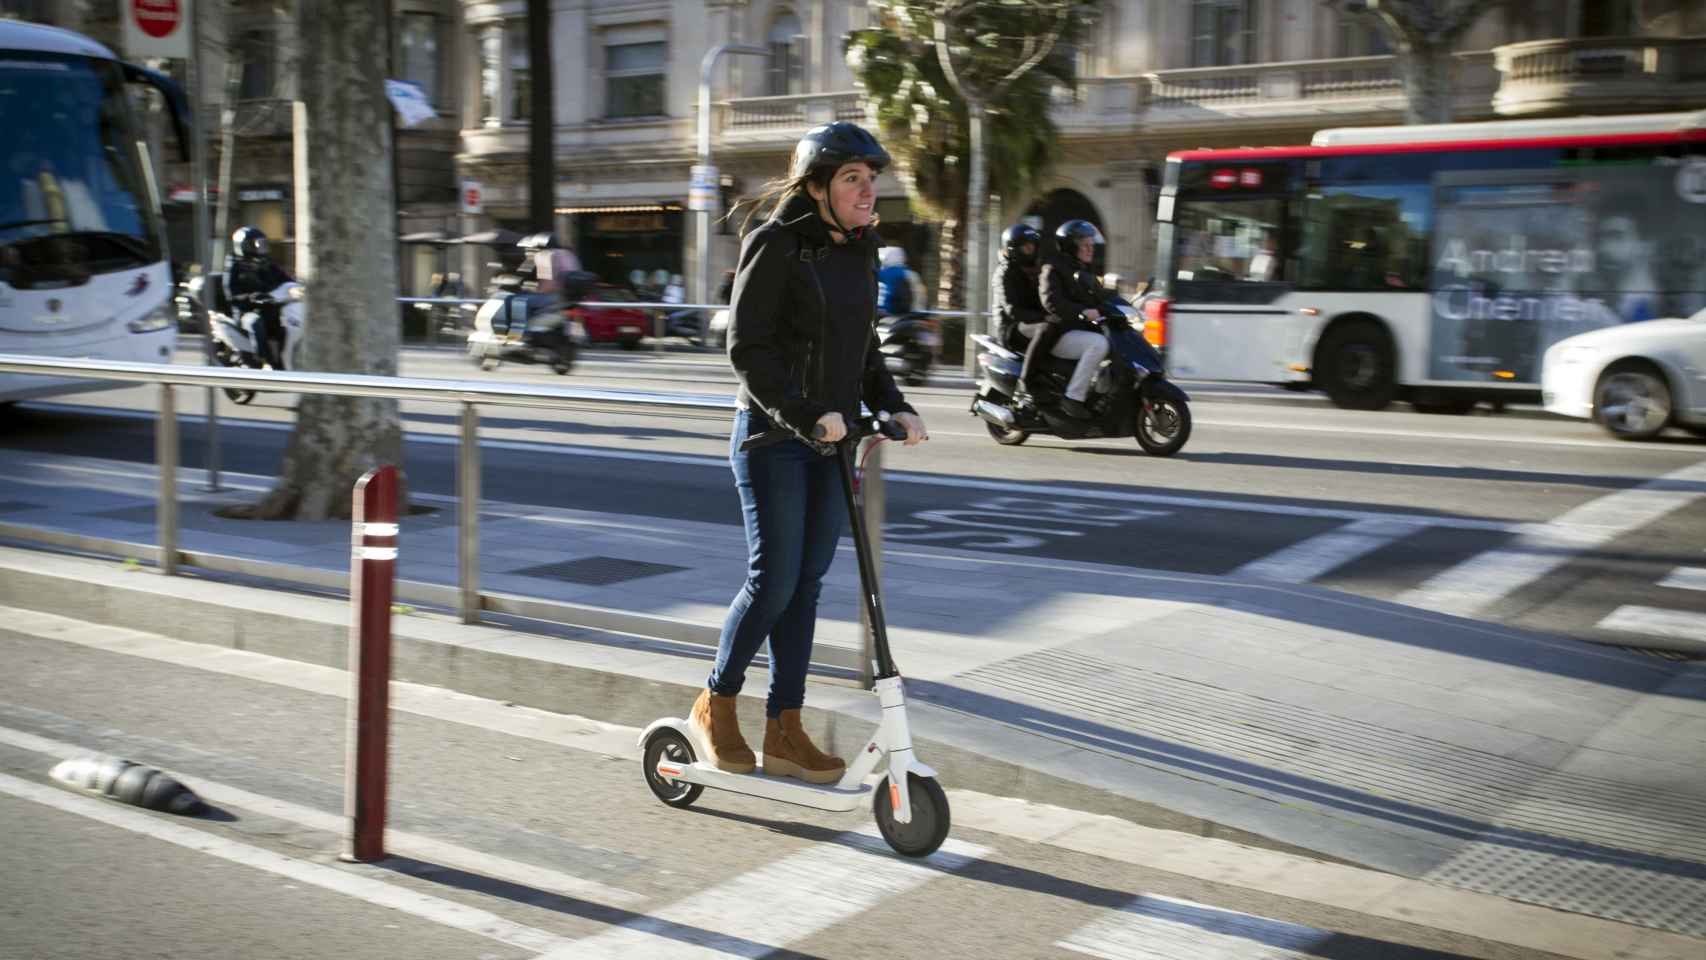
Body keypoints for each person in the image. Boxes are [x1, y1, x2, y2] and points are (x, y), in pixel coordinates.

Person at [695, 121, 928, 783]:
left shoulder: (860, 249)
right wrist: (805, 414)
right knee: (773, 580)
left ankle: (785, 726)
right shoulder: (776, 244)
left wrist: (893, 405)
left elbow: (865, 351)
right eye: (853, 178)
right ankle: (717, 700)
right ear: (819, 186)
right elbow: (748, 350)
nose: (867, 189)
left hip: (831, 443)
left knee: (806, 587)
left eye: (871, 178)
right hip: (773, 439)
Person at [1032, 220, 1112, 419]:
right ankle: (1073, 398)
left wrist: (1124, 304)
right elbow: (1051, 301)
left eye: (1091, 244)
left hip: (1079, 330)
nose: (1090, 248)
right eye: (1085, 244)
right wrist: (1082, 311)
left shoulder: (1084, 269)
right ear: (1070, 245)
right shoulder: (1052, 269)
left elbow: (1099, 297)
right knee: (1098, 345)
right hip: (1061, 333)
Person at [224, 225, 294, 369]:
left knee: (284, 326)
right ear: (244, 245)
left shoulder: (266, 264)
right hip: (245, 311)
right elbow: (231, 295)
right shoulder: (234, 267)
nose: (261, 248)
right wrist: (251, 297)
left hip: (267, 307)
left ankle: (281, 361)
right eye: (257, 244)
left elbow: (285, 279)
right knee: (256, 323)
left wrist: (295, 286)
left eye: (263, 244)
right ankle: (265, 361)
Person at [993, 223, 1044, 352]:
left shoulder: (1038, 270)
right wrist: (1044, 317)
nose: (1030, 248)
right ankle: (1029, 372)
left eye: (1032, 245)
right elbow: (1012, 310)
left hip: (1032, 323)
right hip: (1011, 329)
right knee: (1048, 329)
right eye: (1026, 246)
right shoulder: (1004, 273)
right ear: (1013, 248)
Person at [876, 246, 922, 317]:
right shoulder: (911, 274)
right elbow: (919, 298)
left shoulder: (883, 273)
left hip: (885, 314)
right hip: (908, 315)